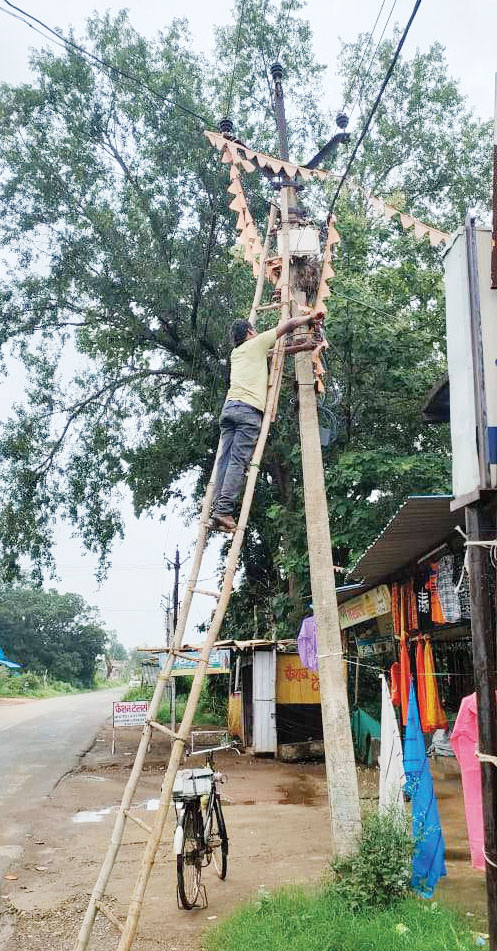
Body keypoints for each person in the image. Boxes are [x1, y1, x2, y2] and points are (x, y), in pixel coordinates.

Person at [211, 314, 312, 532]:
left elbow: (277, 352)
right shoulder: (256, 343)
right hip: (247, 412)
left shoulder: (237, 353)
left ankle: (217, 509)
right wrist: (312, 316)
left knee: (224, 462)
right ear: (250, 332)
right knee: (237, 462)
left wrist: (303, 346)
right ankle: (224, 510)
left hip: (229, 409)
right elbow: (287, 325)